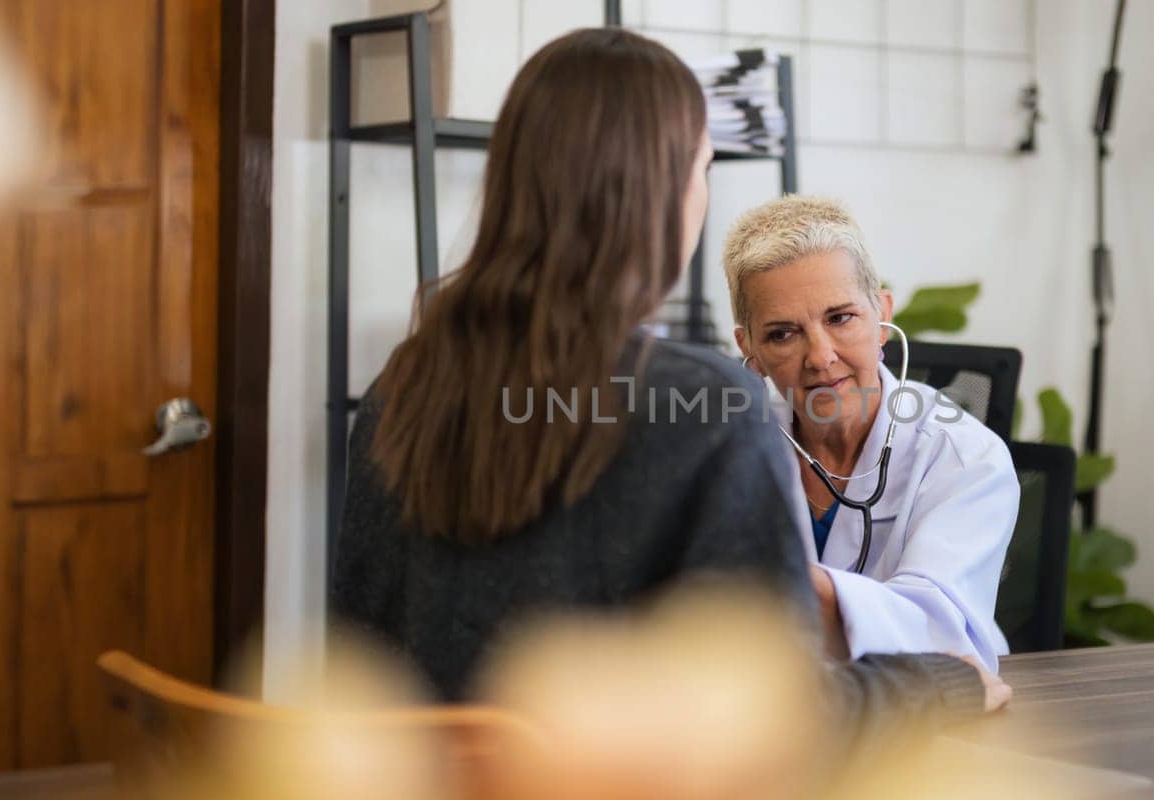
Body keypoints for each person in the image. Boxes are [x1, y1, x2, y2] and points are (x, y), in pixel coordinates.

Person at [329, 28, 1008, 741]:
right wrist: (943, 684)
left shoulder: (399, 389)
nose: (818, 354)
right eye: (704, 167)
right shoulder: (704, 412)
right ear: (666, 191)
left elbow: (356, 669)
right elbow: (784, 725)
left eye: (841, 318)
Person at [725, 196, 1020, 672]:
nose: (820, 356)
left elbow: (939, 633)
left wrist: (777, 585)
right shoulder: (729, 451)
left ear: (882, 316)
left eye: (840, 318)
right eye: (783, 334)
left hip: (935, 723)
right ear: (750, 350)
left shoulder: (964, 456)